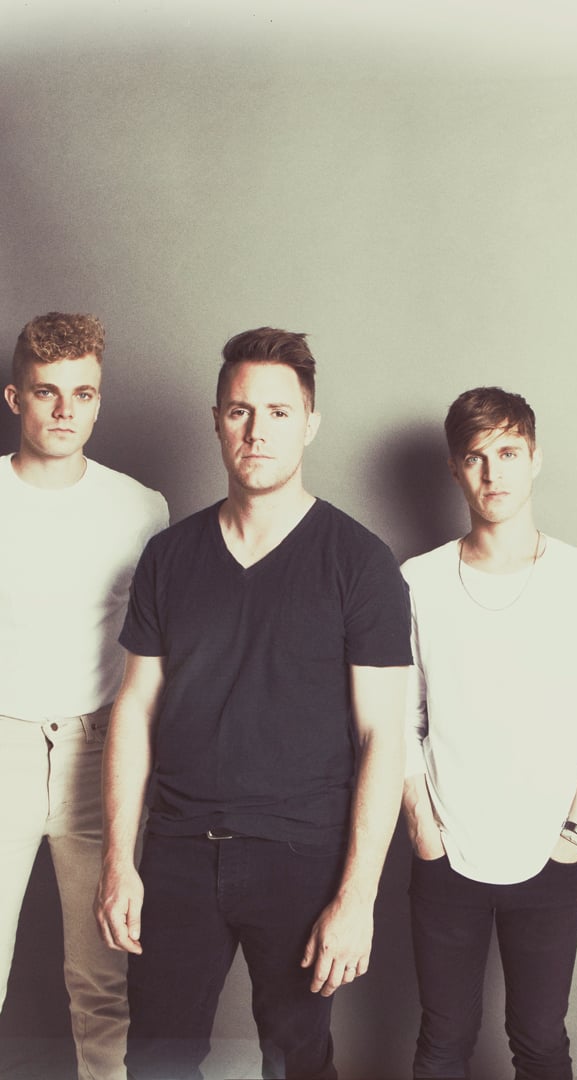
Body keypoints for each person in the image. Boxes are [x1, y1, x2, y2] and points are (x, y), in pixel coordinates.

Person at [94, 327, 411, 1080]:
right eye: (240, 411)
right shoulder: (170, 556)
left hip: (303, 856)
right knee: (157, 1062)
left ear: (310, 423)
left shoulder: (361, 563)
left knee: (299, 1061)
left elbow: (383, 735)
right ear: (217, 421)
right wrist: (118, 860)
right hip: (177, 851)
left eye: (277, 412)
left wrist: (357, 897)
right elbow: (135, 708)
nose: (257, 431)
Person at [400, 386, 577, 1080]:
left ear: (534, 459)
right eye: (475, 457)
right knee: (443, 1040)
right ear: (454, 468)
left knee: (541, 1039)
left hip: (549, 847)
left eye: (508, 453)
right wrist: (423, 828)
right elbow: (399, 716)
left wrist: (575, 833)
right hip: (446, 847)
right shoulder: (418, 580)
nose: (492, 473)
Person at [0, 312, 168, 1080]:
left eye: (84, 393)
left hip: (98, 752)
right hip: (2, 738)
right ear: (15, 398)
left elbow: (157, 649)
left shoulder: (142, 509)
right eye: (47, 392)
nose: (66, 411)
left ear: (100, 400)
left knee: (103, 976)